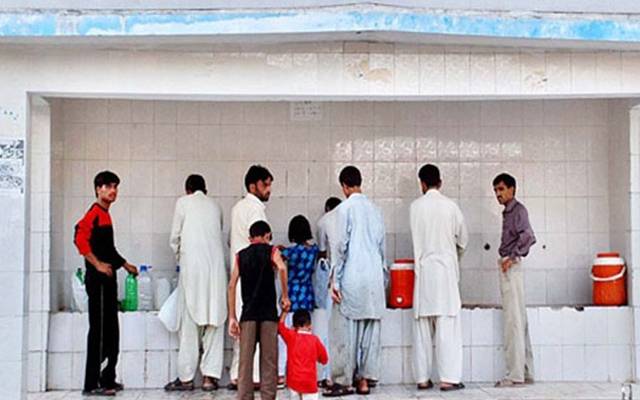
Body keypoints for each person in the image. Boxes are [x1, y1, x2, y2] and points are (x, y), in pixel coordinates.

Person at [74, 171, 138, 396]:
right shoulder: (93, 213)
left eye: (115, 187)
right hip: (98, 283)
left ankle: (108, 378)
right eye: (109, 186)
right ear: (98, 189)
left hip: (108, 283)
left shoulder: (105, 215)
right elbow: (79, 238)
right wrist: (98, 265)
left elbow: (108, 250)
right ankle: (93, 384)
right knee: (100, 332)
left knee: (111, 331)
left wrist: (125, 264)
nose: (113, 191)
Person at [324, 166, 386, 397]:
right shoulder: (376, 210)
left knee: (348, 332)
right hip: (374, 277)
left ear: (344, 186)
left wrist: (335, 282)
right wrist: (384, 278)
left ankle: (344, 380)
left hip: (352, 275)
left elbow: (340, 248)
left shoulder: (344, 210)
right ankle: (364, 380)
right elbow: (383, 249)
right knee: (371, 331)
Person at [164, 175, 227, 392]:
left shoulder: (182, 203)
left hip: (192, 271)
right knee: (214, 323)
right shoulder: (216, 206)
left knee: (189, 326)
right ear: (205, 189)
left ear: (187, 189)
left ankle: (186, 378)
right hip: (217, 271)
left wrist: (182, 259)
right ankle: (210, 378)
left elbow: (174, 238)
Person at [410, 164, 468, 392]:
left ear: (422, 184)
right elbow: (463, 240)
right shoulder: (451, 207)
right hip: (445, 275)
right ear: (440, 182)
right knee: (447, 329)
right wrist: (454, 257)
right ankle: (448, 378)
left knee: (422, 329)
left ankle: (422, 379)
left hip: (423, 274)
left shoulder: (415, 207)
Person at [228, 221, 291, 400]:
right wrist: (285, 296)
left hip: (247, 315)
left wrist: (232, 316)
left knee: (245, 361)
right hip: (268, 315)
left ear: (250, 238)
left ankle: (244, 397)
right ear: (267, 235)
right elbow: (282, 268)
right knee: (269, 361)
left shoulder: (241, 255)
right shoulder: (272, 251)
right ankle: (268, 397)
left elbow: (232, 285)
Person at [228, 165, 274, 390]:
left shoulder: (237, 207)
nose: (269, 190)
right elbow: (260, 247)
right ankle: (253, 378)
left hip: (240, 275)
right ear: (252, 185)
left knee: (241, 332)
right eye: (266, 185)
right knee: (255, 333)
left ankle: (238, 376)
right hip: (255, 281)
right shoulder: (256, 210)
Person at [493, 173, 536, 387]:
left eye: (501, 189)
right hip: (511, 265)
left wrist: (511, 258)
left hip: (511, 267)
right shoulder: (509, 213)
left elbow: (529, 236)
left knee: (513, 322)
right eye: (496, 191)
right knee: (520, 319)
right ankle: (526, 371)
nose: (498, 194)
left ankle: (514, 374)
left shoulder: (518, 211)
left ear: (512, 189)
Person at [314, 197, 341, 386]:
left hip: (332, 280)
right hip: (351, 279)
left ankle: (327, 375)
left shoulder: (324, 221)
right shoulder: (349, 217)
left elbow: (322, 253)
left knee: (328, 330)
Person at [278, 309, 329, 400]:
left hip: (294, 381)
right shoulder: (314, 340)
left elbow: (280, 327)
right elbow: (324, 359)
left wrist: (284, 312)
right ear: (310, 325)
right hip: (309, 382)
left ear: (293, 326)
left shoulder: (291, 337)